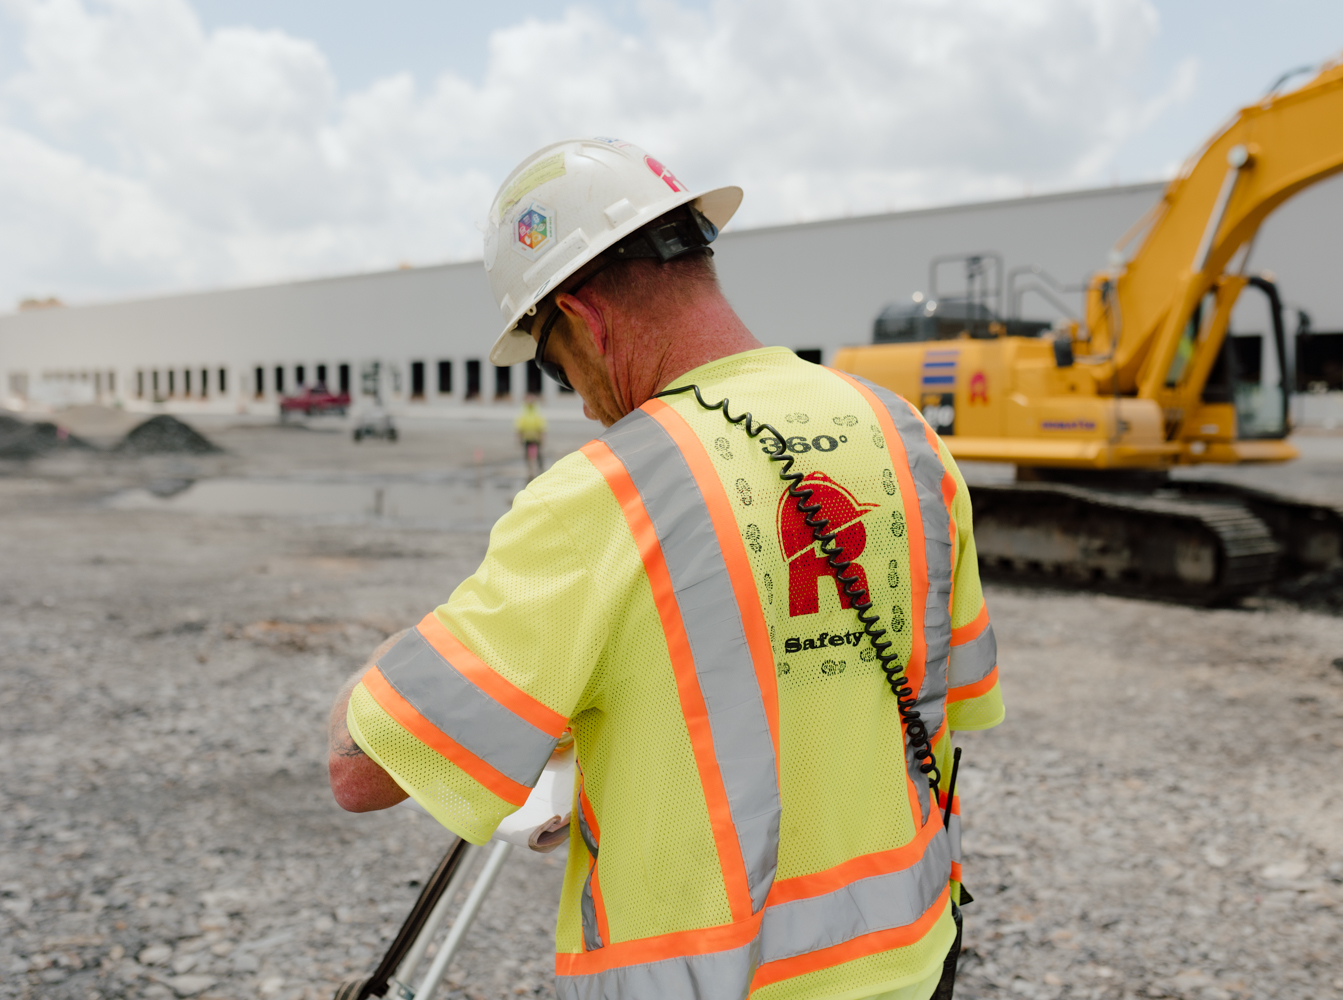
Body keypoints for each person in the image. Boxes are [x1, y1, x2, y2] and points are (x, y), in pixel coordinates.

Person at [326, 138, 1003, 1000]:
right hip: (915, 962)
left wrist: (386, 663)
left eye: (548, 353)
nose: (570, 390)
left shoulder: (606, 495)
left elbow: (361, 771)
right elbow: (938, 699)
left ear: (583, 315)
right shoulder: (907, 437)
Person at [515, 393, 548, 481]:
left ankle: (540, 469)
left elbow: (541, 424)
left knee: (538, 454)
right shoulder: (524, 411)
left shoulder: (536, 411)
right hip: (527, 437)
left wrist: (542, 436)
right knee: (527, 455)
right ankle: (530, 469)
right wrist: (519, 437)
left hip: (536, 437)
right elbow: (520, 425)